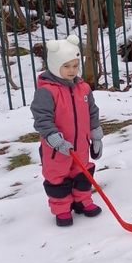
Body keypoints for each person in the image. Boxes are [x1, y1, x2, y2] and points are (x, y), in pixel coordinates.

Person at [31, 35, 103, 227]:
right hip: (56, 147)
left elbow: (92, 112)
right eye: (66, 66)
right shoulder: (46, 91)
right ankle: (62, 209)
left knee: (82, 172)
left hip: (80, 144)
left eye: (75, 65)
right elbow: (41, 118)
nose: (72, 70)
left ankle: (82, 201)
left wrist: (95, 133)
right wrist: (53, 138)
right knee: (57, 176)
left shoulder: (83, 88)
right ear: (55, 66)